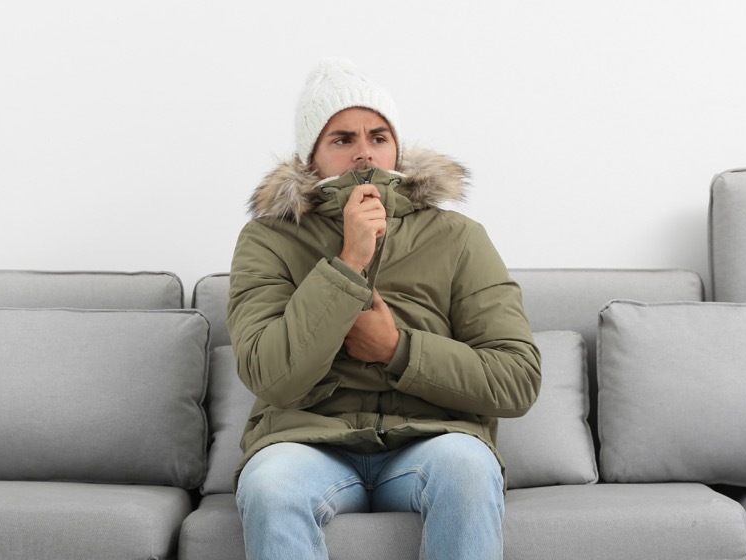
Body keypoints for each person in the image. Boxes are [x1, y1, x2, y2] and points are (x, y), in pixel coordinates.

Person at [227, 57, 541, 560]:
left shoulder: (458, 237)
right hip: (310, 443)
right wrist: (348, 262)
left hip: (431, 441)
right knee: (270, 485)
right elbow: (271, 376)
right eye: (342, 139)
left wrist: (398, 350)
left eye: (377, 136)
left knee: (468, 467)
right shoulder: (266, 239)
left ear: (396, 145)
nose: (364, 154)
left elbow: (517, 379)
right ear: (310, 156)